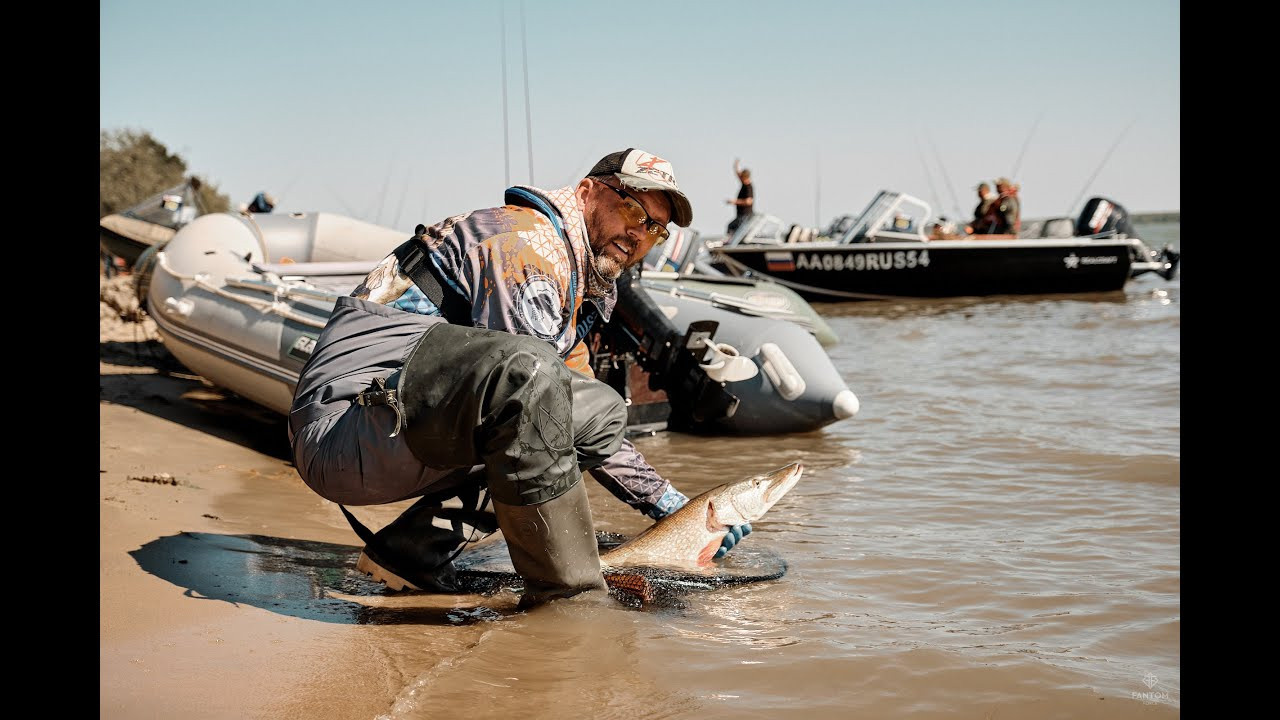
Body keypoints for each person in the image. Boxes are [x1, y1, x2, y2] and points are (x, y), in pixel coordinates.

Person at [288, 148, 752, 608]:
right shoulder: (526, 244)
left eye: (654, 227)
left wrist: (673, 507)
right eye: (632, 207)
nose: (638, 232)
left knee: (599, 413)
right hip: (343, 431)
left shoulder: (572, 282)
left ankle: (409, 555)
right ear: (588, 192)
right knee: (537, 400)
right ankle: (570, 598)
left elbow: (585, 419)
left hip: (390, 427)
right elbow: (536, 398)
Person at [725, 158, 754, 235]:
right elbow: (738, 174)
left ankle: (731, 243)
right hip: (741, 215)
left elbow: (749, 201)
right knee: (733, 227)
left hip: (745, 215)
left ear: (746, 177)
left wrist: (734, 202)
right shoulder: (744, 184)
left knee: (732, 227)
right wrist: (736, 166)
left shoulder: (748, 187)